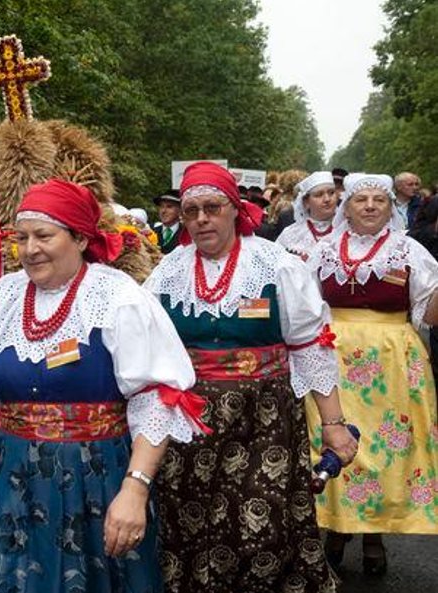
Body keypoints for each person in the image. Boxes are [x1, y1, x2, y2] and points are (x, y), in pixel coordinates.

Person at [0, 179, 206, 593]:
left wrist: (135, 489)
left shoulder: (118, 298)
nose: (30, 249)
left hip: (95, 480)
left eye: (44, 236)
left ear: (81, 237)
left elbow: (158, 398)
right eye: (21, 237)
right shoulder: (2, 299)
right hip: (12, 478)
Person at [144, 161, 356, 592]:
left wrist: (333, 426)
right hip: (190, 422)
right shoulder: (167, 272)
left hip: (266, 420)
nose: (202, 218)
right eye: (191, 211)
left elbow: (311, 344)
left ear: (235, 210)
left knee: (262, 527)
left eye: (212, 207)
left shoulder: (275, 264)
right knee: (189, 521)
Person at [305, 173, 438, 575]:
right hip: (333, 362)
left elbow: (428, 316)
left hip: (392, 366)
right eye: (360, 199)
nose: (369, 206)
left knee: (384, 451)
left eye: (378, 200)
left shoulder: (410, 251)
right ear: (346, 207)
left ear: (390, 207)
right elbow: (303, 309)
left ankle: (374, 537)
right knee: (335, 445)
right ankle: (337, 530)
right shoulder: (322, 251)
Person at [276, 171, 338, 259]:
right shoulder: (291, 234)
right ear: (306, 202)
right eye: (319, 195)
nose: (327, 199)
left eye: (331, 193)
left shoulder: (347, 230)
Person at [152, 189, 186, 254]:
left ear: (180, 210)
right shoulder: (151, 233)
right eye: (161, 207)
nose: (164, 211)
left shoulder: (187, 234)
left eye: (169, 207)